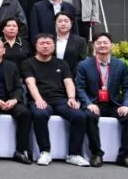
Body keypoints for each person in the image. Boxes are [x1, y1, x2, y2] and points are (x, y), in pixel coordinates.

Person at [22, 33, 91, 167]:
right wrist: (38, 99)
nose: (45, 46)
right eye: (42, 43)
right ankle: (45, 152)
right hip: (40, 99)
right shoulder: (28, 63)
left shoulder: (61, 63)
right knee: (40, 114)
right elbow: (30, 83)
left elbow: (69, 82)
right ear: (36, 46)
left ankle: (74, 154)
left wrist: (71, 98)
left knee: (79, 116)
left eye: (48, 43)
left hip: (60, 99)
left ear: (54, 46)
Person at [75, 32, 128, 169]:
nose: (102, 45)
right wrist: (88, 104)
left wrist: (126, 105)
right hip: (94, 103)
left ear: (111, 45)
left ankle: (124, 156)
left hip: (113, 104)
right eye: (99, 43)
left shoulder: (120, 65)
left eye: (105, 42)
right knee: (89, 116)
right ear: (94, 46)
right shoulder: (84, 65)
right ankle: (96, 154)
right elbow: (80, 88)